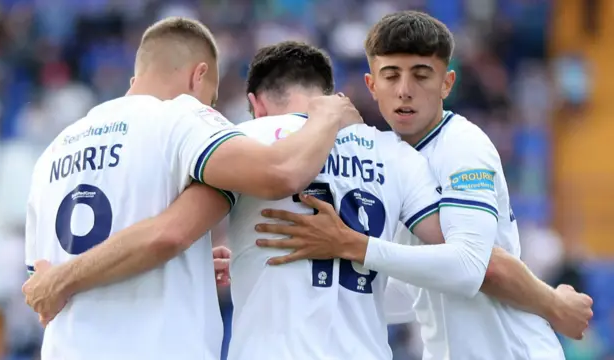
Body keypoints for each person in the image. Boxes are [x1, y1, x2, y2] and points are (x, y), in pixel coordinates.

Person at [26, 40, 590, 359]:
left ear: (255, 103)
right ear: (331, 93)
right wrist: (549, 302)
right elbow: (472, 264)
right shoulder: (395, 155)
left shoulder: (242, 145)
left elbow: (166, 231)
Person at [254, 11, 592, 359]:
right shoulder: (389, 158)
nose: (404, 91)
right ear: (371, 86)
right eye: (391, 75)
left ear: (447, 83)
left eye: (421, 75)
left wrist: (353, 244)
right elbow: (413, 291)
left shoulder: (462, 146)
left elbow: (472, 268)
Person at [22, 17, 360, 360]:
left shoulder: (53, 151)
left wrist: (186, 267)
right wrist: (326, 116)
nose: (210, 109)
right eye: (211, 100)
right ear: (198, 76)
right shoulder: (181, 116)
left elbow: (44, 293)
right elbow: (282, 173)